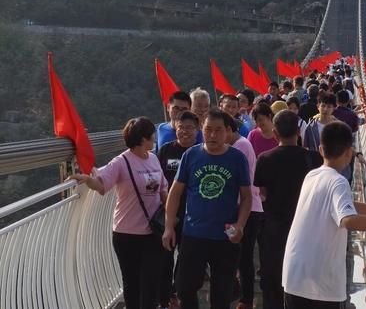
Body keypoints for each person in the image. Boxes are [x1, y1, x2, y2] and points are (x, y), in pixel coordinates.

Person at [282, 122, 366, 308]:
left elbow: (349, 206)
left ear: (321, 149)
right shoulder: (339, 182)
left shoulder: (312, 175)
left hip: (294, 275)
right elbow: (349, 219)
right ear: (349, 153)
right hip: (320, 284)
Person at [70, 117, 167, 309]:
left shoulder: (154, 158)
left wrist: (170, 219)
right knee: (132, 282)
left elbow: (163, 189)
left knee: (151, 279)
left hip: (153, 231)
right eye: (151, 135)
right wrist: (87, 179)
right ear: (142, 139)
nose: (155, 138)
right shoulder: (121, 162)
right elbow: (101, 184)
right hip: (127, 234)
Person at [163, 109, 252, 309]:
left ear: (227, 131)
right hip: (194, 234)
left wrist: (240, 225)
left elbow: (247, 197)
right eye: (208, 129)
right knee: (184, 287)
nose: (212, 135)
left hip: (225, 236)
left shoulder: (237, 158)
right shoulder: (191, 155)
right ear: (202, 130)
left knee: (222, 294)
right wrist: (169, 227)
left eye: (218, 130)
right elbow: (175, 193)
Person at [254, 110, 322, 309]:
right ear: (298, 133)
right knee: (304, 282)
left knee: (274, 280)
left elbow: (262, 193)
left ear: (275, 133)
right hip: (306, 230)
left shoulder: (265, 159)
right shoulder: (314, 159)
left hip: (275, 230)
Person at [157, 111, 201, 309]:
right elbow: (157, 179)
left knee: (186, 259)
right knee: (165, 259)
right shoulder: (165, 150)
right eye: (181, 127)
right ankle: (166, 297)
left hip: (191, 216)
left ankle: (179, 291)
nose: (184, 131)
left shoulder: (200, 152)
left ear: (197, 130)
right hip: (168, 215)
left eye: (189, 128)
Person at [224, 117, 264, 309]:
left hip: (247, 210)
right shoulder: (242, 143)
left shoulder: (239, 146)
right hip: (245, 209)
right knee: (240, 253)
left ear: (229, 129)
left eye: (219, 131)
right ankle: (241, 294)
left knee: (243, 254)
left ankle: (246, 298)